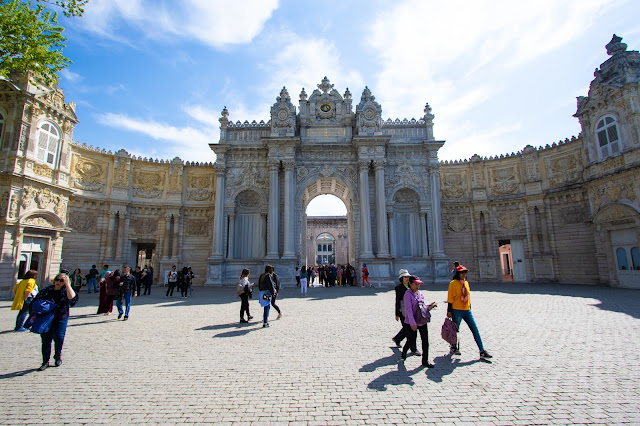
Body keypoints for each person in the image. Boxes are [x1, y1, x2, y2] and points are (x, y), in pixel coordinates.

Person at [447, 265, 492, 359]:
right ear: (457, 274)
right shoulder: (453, 283)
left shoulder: (466, 283)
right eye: (461, 273)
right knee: (454, 330)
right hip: (457, 310)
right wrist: (449, 311)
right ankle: (453, 347)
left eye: (465, 273)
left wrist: (469, 307)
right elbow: (450, 298)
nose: (464, 274)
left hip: (467, 310)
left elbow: (468, 296)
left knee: (475, 329)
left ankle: (482, 350)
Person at [34, 273, 78, 371]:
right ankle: (45, 361)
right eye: (57, 280)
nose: (58, 282)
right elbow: (37, 300)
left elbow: (72, 298)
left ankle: (57, 355)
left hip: (61, 317)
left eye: (61, 281)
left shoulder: (66, 291)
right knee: (46, 340)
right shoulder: (47, 290)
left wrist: (67, 285)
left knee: (59, 337)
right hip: (46, 318)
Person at [402, 275, 437, 368]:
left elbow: (423, 307)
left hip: (421, 320)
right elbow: (408, 310)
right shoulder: (407, 294)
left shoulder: (420, 294)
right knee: (411, 340)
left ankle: (425, 360)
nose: (417, 286)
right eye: (415, 284)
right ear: (410, 284)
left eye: (418, 284)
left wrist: (430, 306)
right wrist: (413, 324)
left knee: (425, 340)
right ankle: (404, 351)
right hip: (411, 322)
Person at [392, 269, 411, 347]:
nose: (407, 278)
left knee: (408, 327)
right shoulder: (398, 288)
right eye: (405, 277)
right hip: (402, 311)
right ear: (401, 278)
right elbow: (397, 301)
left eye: (407, 277)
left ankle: (397, 339)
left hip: (410, 310)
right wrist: (397, 314)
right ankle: (398, 339)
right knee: (407, 327)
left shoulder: (411, 286)